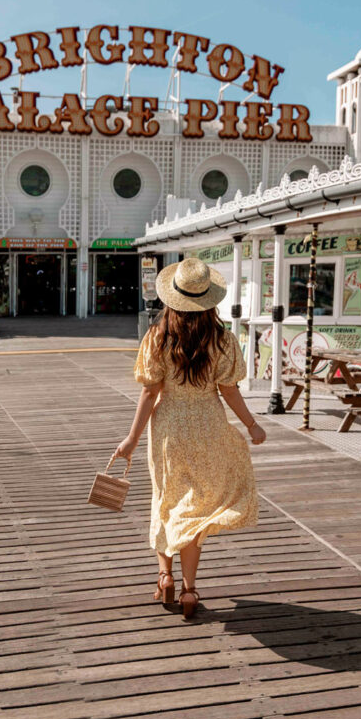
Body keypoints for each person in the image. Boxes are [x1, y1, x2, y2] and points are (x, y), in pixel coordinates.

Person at [114, 258, 267, 619]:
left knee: (166, 499)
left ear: (172, 297)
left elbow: (150, 393)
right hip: (208, 424)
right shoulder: (223, 339)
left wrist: (132, 439)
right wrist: (251, 425)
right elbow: (228, 390)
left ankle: (164, 577)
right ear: (209, 300)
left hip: (168, 428)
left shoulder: (157, 337)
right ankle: (189, 590)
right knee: (195, 508)